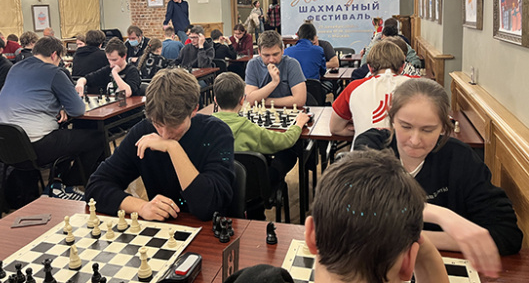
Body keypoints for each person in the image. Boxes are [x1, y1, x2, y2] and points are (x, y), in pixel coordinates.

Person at [355, 78, 523, 276]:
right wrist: (441, 215)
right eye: (405, 126)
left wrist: (415, 239)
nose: (415, 140)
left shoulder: (461, 158)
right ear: (391, 117)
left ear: (444, 126)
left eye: (427, 130)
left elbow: (507, 234)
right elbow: (358, 213)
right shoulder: (370, 147)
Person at [225, 149, 449, 283]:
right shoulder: (410, 262)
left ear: (311, 234)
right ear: (408, 263)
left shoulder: (257, 279)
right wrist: (419, 248)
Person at [85, 68, 235, 221]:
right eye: (158, 124)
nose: (164, 135)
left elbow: (208, 207)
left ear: (194, 109)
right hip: (164, 227)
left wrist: (173, 148)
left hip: (212, 229)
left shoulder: (217, 132)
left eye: (174, 126)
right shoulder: (143, 132)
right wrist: (141, 207)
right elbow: (96, 186)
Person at [0, 37, 105, 190]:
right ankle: (69, 183)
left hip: (4, 144)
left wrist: (59, 106)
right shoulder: (54, 72)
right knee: (98, 138)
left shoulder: (15, 68)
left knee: (63, 135)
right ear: (54, 55)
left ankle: (58, 179)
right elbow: (78, 109)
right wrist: (63, 106)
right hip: (34, 146)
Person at [213, 72, 310, 218]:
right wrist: (298, 124)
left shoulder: (206, 128)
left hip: (219, 188)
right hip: (254, 190)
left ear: (215, 100)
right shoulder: (250, 128)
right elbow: (285, 141)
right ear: (242, 100)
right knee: (288, 154)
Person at [330, 40, 411, 138]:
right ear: (402, 67)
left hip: (365, 145)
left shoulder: (354, 87)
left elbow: (335, 128)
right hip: (406, 146)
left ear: (370, 68)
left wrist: (361, 129)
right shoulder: (417, 86)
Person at [245, 30, 306, 108]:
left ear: (282, 50)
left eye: (275, 54)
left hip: (288, 111)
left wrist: (262, 101)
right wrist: (274, 82)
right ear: (259, 52)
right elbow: (250, 99)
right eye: (266, 55)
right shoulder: (253, 64)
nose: (271, 60)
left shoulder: (292, 64)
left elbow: (300, 100)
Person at [76, 37, 141, 97]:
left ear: (124, 56)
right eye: (109, 59)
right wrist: (80, 82)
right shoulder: (107, 69)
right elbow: (87, 78)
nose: (111, 63)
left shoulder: (132, 71)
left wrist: (115, 73)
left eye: (114, 60)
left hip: (130, 105)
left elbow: (127, 93)